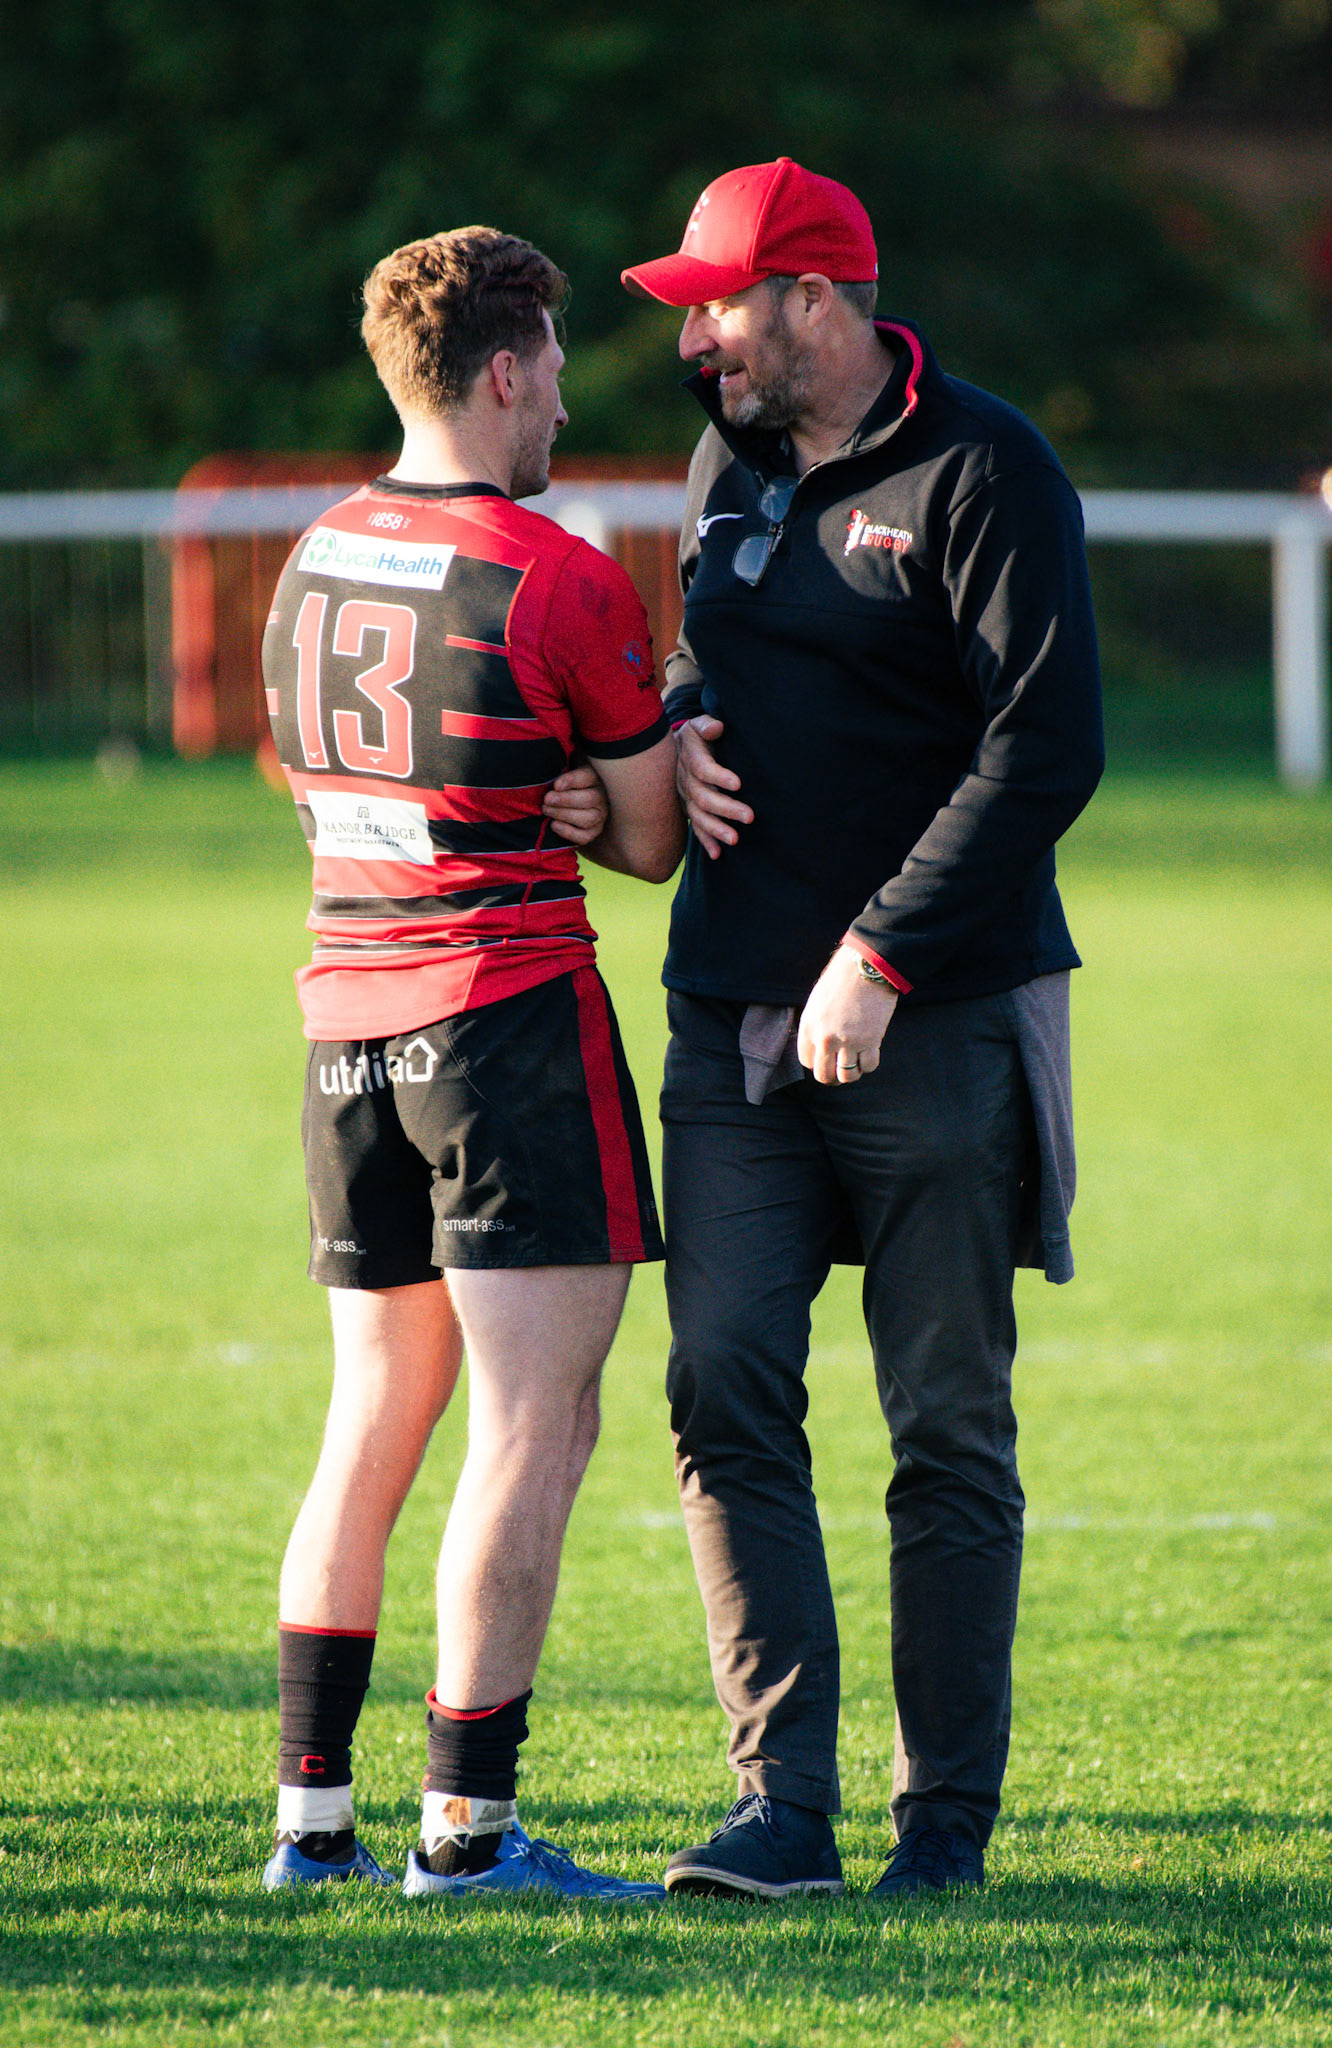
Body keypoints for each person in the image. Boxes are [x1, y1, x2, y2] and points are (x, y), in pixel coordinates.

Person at [619, 158, 1105, 1899]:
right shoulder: (719, 456)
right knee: (722, 1382)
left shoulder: (987, 466)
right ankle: (782, 1813)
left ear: (813, 296)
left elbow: (1044, 749)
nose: (695, 340)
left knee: (943, 1429)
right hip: (724, 1017)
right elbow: (708, 657)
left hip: (937, 1021)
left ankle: (939, 1834)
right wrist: (674, 728)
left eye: (716, 305)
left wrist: (882, 954)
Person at [258, 226, 683, 1901]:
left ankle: (311, 1829)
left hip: (342, 1028)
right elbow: (649, 841)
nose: (566, 403)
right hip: (503, 1030)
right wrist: (582, 796)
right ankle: (469, 1833)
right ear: (505, 370)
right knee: (534, 1422)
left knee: (369, 1421)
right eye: (560, 370)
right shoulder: (555, 572)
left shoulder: (310, 556)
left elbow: (311, 797)